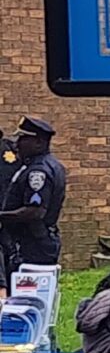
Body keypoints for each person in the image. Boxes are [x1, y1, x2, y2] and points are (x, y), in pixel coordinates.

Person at [0, 117, 67, 274]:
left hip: (33, 244)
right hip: (35, 242)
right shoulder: (48, 165)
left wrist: (2, 216)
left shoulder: (38, 171)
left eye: (23, 139)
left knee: (28, 287)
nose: (17, 144)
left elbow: (35, 211)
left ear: (38, 142)